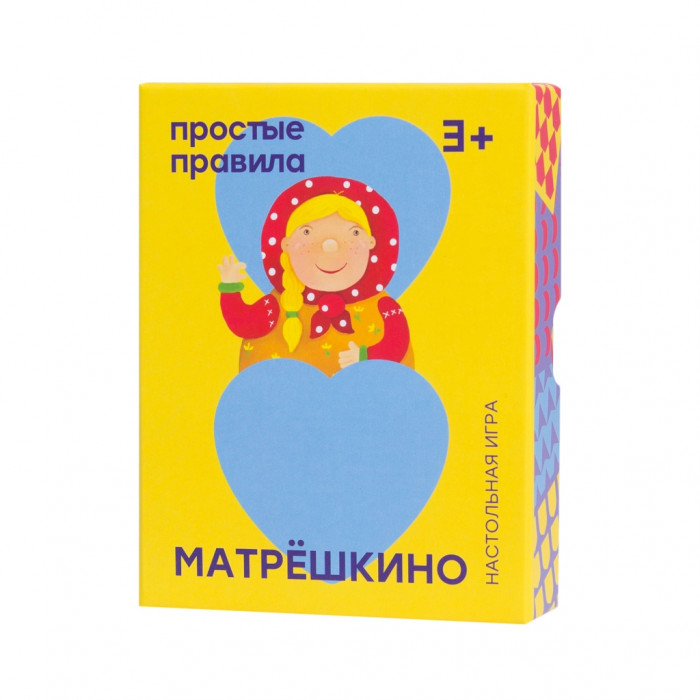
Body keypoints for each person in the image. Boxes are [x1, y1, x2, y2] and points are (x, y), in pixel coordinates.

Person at [217, 176, 412, 377]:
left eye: (354, 233)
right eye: (307, 232)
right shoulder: (283, 302)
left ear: (371, 243)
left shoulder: (382, 306)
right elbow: (244, 323)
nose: (330, 246)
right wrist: (230, 287)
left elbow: (397, 344)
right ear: (286, 245)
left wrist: (365, 355)